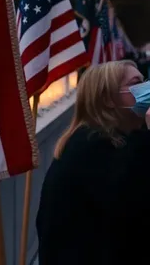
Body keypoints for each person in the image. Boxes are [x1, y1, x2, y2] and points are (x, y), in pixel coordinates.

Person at [37, 60, 150, 264]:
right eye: (136, 83)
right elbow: (134, 204)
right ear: (108, 99)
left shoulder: (114, 141)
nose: (145, 89)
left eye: (144, 81)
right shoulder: (91, 147)